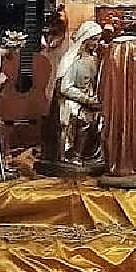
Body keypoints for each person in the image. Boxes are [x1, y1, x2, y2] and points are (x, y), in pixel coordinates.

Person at [98, 10, 136, 186]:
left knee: (117, 120)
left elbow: (105, 76)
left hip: (116, 99)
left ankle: (116, 164)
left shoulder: (113, 47)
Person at [39, 20, 104, 173]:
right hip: (70, 100)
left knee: (100, 120)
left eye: (98, 39)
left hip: (87, 99)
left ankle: (87, 154)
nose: (97, 43)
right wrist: (86, 99)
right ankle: (73, 154)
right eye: (94, 39)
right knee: (83, 119)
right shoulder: (73, 60)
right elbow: (64, 87)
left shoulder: (93, 59)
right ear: (85, 39)